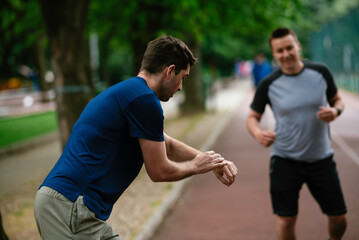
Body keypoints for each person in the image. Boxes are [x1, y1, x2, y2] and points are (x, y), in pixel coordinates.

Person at [34, 36, 238, 240]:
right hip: (67, 206)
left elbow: (165, 143)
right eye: (182, 78)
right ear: (169, 71)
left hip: (72, 208)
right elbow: (159, 171)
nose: (180, 87)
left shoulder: (131, 93)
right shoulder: (144, 101)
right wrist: (196, 166)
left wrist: (211, 161)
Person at [246, 27, 347, 240]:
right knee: (286, 220)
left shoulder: (321, 72)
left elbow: (338, 99)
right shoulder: (268, 84)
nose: (286, 54)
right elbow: (252, 117)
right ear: (274, 54)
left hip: (321, 158)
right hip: (285, 159)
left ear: (298, 46)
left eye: (289, 48)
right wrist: (258, 134)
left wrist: (335, 111)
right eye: (280, 51)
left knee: (339, 218)